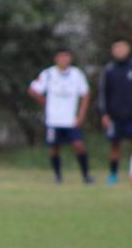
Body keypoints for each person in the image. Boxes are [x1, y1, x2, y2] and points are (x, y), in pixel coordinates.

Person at [28, 48, 94, 184]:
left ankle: (86, 175)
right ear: (56, 59)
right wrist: (45, 102)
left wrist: (80, 115)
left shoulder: (77, 74)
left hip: (70, 120)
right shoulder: (48, 74)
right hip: (53, 120)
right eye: (60, 57)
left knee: (78, 145)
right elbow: (33, 90)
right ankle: (58, 177)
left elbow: (86, 94)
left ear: (70, 59)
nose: (63, 60)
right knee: (54, 148)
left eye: (66, 57)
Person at [99, 40, 132, 184]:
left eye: (123, 48)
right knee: (115, 144)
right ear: (113, 51)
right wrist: (104, 113)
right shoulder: (109, 70)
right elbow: (104, 93)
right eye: (117, 48)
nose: (120, 51)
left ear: (128, 50)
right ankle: (113, 175)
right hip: (115, 114)